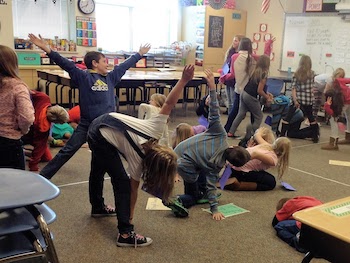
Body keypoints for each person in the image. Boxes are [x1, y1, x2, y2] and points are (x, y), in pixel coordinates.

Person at [86, 65, 195, 247]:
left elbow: (168, 103)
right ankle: (125, 234)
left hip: (103, 122)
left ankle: (97, 206)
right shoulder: (138, 162)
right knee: (121, 183)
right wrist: (129, 218)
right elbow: (132, 192)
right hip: (99, 135)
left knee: (98, 167)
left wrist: (184, 80)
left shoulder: (156, 129)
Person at [28, 33, 151, 183]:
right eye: (104, 61)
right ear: (95, 63)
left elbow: (124, 66)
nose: (108, 64)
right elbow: (64, 63)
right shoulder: (83, 77)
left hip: (108, 126)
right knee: (67, 151)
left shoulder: (111, 77)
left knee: (128, 147)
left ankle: (149, 172)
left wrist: (139, 54)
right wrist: (47, 49)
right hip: (87, 125)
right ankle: (43, 178)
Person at [174, 69, 251, 221]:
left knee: (201, 170)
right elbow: (212, 185)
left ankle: (198, 193)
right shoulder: (217, 166)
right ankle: (179, 199)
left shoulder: (220, 134)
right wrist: (214, 209)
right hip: (184, 165)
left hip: (179, 151)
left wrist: (212, 87)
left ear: (233, 147)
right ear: (230, 163)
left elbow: (214, 111)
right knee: (193, 195)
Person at [220, 37, 274, 136]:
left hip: (239, 89)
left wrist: (223, 77)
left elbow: (232, 75)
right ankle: (253, 133)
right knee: (256, 114)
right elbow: (265, 57)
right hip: (251, 91)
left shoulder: (234, 57)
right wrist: (268, 44)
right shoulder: (253, 57)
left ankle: (228, 130)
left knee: (237, 112)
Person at [220, 127, 291, 191]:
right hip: (240, 170)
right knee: (271, 182)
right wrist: (244, 155)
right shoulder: (273, 160)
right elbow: (255, 154)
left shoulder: (265, 145)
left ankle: (230, 175)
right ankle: (238, 185)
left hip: (232, 166)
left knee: (262, 173)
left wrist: (248, 148)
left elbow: (257, 135)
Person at [0, 45, 35, 170]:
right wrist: (24, 130)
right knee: (14, 184)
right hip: (9, 142)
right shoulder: (17, 86)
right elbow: (27, 117)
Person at [225, 55, 273, 141]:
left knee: (241, 114)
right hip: (251, 96)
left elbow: (257, 87)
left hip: (244, 93)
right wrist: (267, 97)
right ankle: (253, 135)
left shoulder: (256, 71)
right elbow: (259, 90)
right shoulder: (264, 74)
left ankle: (230, 132)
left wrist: (266, 93)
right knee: (259, 116)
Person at [22, 91, 69, 172]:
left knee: (46, 157)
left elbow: (26, 92)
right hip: (25, 135)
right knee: (42, 152)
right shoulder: (43, 130)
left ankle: (23, 151)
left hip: (22, 124)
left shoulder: (43, 98)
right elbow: (39, 148)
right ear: (55, 122)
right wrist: (33, 166)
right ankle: (21, 151)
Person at [280, 55, 319, 143]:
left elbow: (293, 88)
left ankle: (282, 135)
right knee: (311, 118)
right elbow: (312, 88)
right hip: (308, 99)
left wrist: (295, 100)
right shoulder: (312, 74)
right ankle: (315, 137)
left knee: (287, 118)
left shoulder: (296, 74)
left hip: (297, 99)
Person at [321, 78, 350, 150]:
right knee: (349, 117)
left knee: (333, 120)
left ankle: (333, 143)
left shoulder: (336, 82)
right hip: (348, 100)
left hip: (346, 101)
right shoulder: (341, 82)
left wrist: (326, 105)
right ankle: (348, 138)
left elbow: (333, 114)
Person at [222, 34, 245, 115]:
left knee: (233, 100)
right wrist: (223, 74)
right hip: (228, 78)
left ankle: (232, 119)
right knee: (229, 101)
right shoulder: (230, 52)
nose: (233, 42)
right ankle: (229, 116)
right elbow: (226, 64)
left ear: (240, 42)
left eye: (236, 40)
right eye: (233, 40)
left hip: (234, 80)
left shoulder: (240, 55)